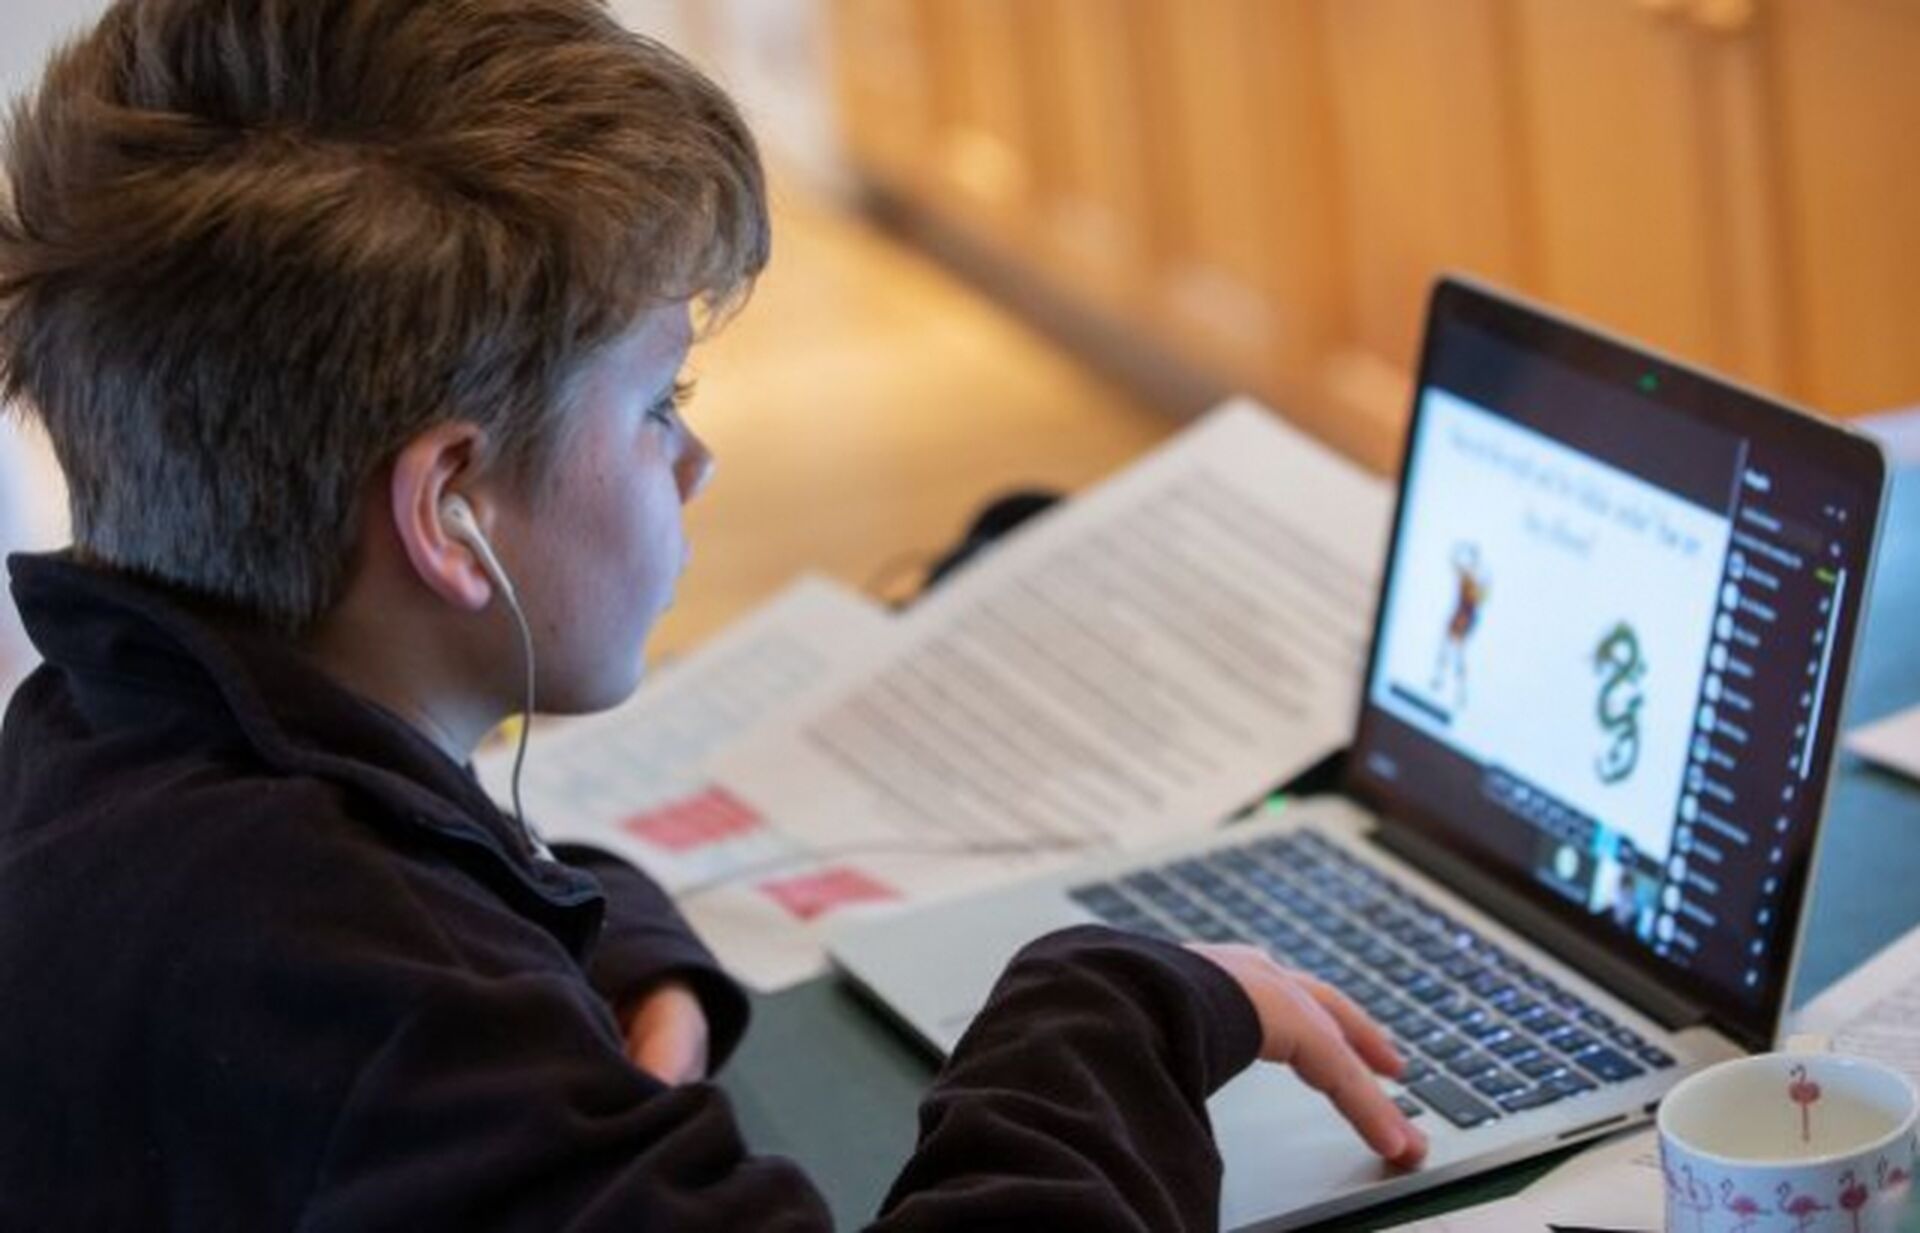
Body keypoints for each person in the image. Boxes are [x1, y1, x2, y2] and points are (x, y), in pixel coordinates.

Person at [0, 1, 1424, 1228]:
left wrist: (600, 943)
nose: (697, 461)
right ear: (449, 511)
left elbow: (433, 896)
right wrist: (1112, 1012)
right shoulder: (401, 1019)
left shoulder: (103, 741)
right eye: (657, 402)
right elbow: (416, 1002)